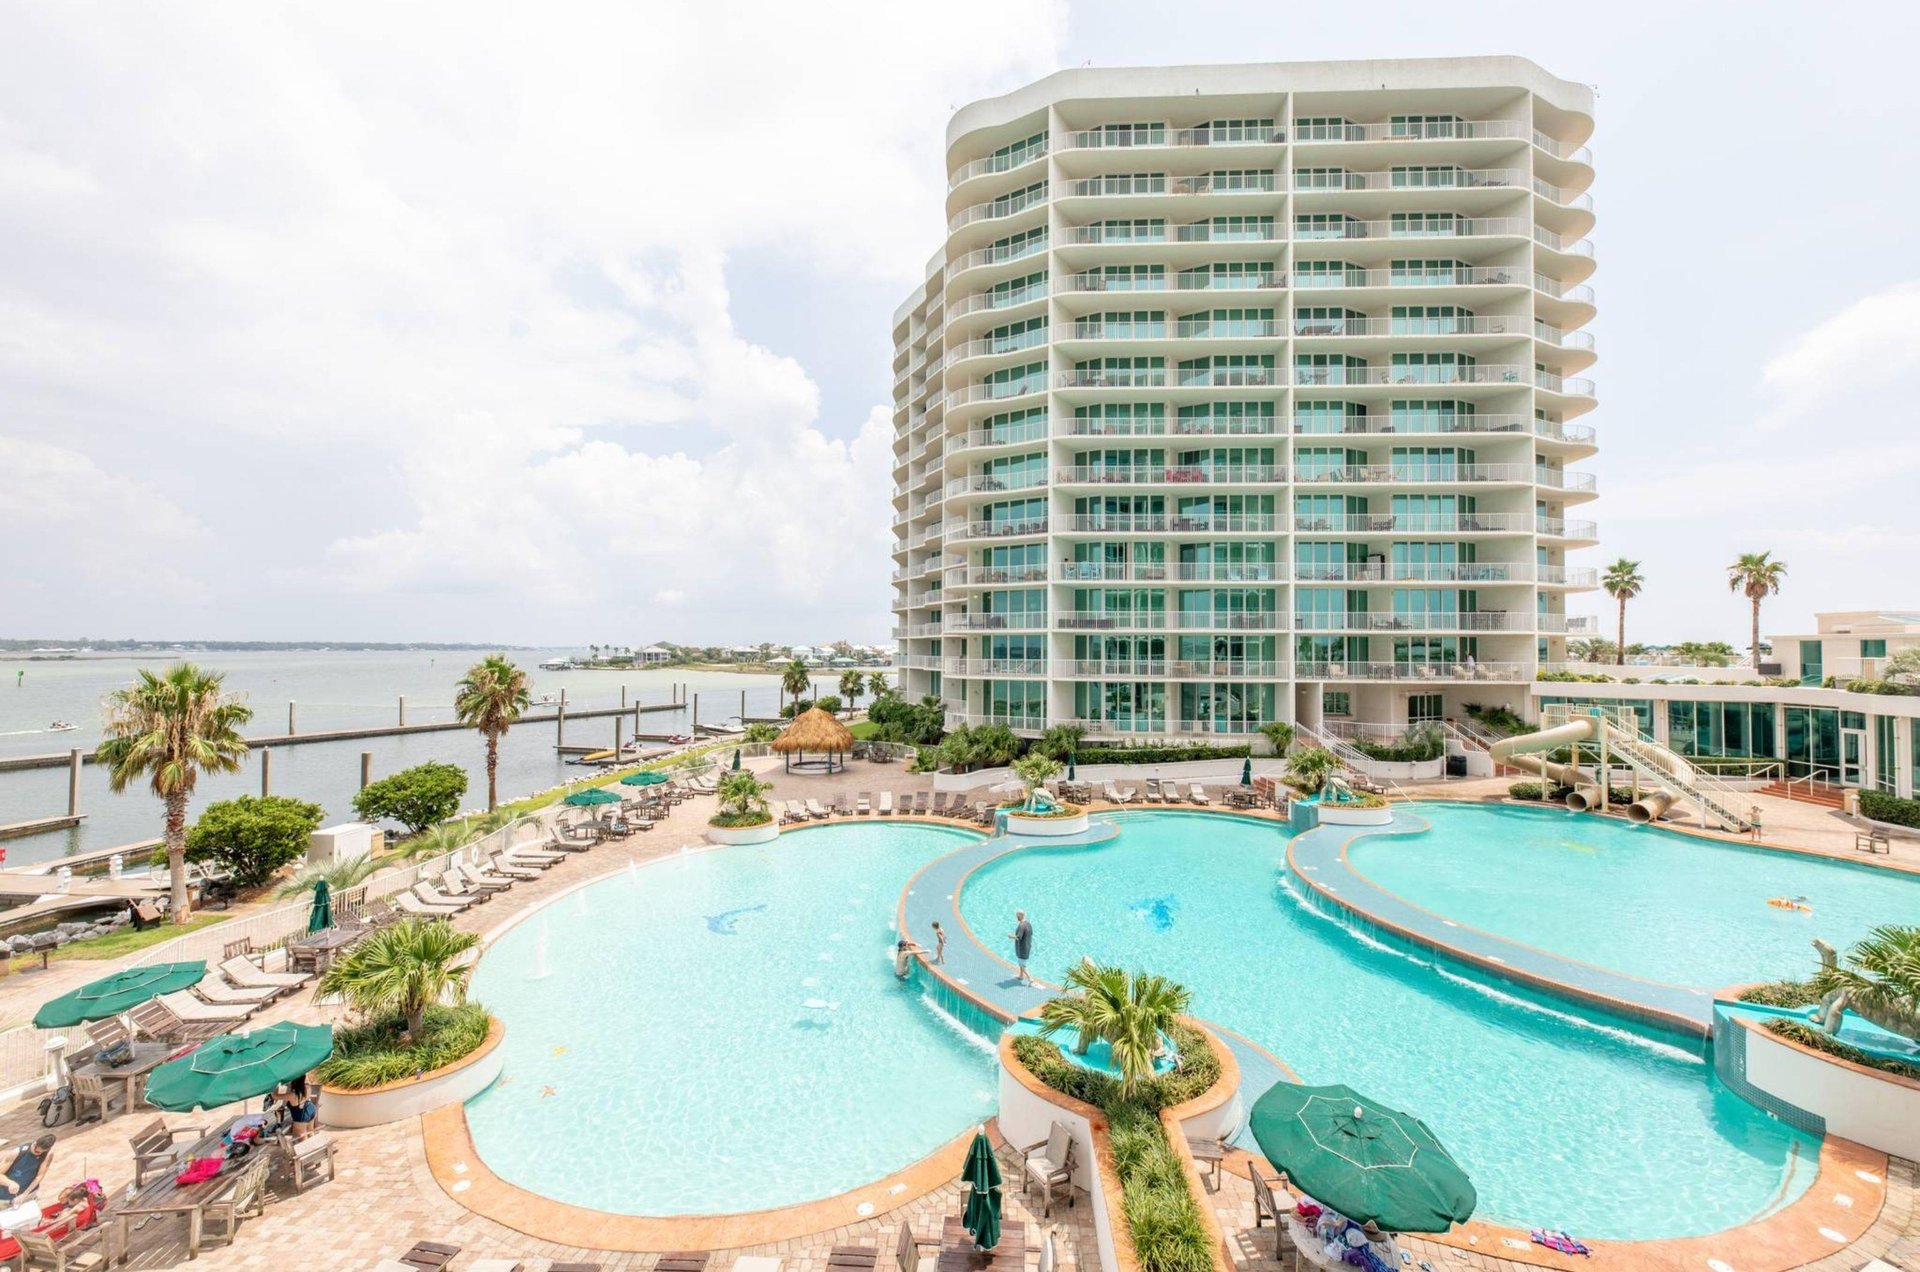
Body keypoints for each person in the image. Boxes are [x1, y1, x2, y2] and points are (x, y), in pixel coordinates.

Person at [1009, 910, 1034, 984]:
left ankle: (1030, 977)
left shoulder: (1021, 926)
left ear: (1020, 916)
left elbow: (1018, 937)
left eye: (1017, 916)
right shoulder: (1028, 924)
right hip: (1027, 946)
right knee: (1022, 962)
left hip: (1022, 948)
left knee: (1022, 964)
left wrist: (1011, 936)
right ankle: (1021, 975)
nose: (1017, 917)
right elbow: (1031, 934)